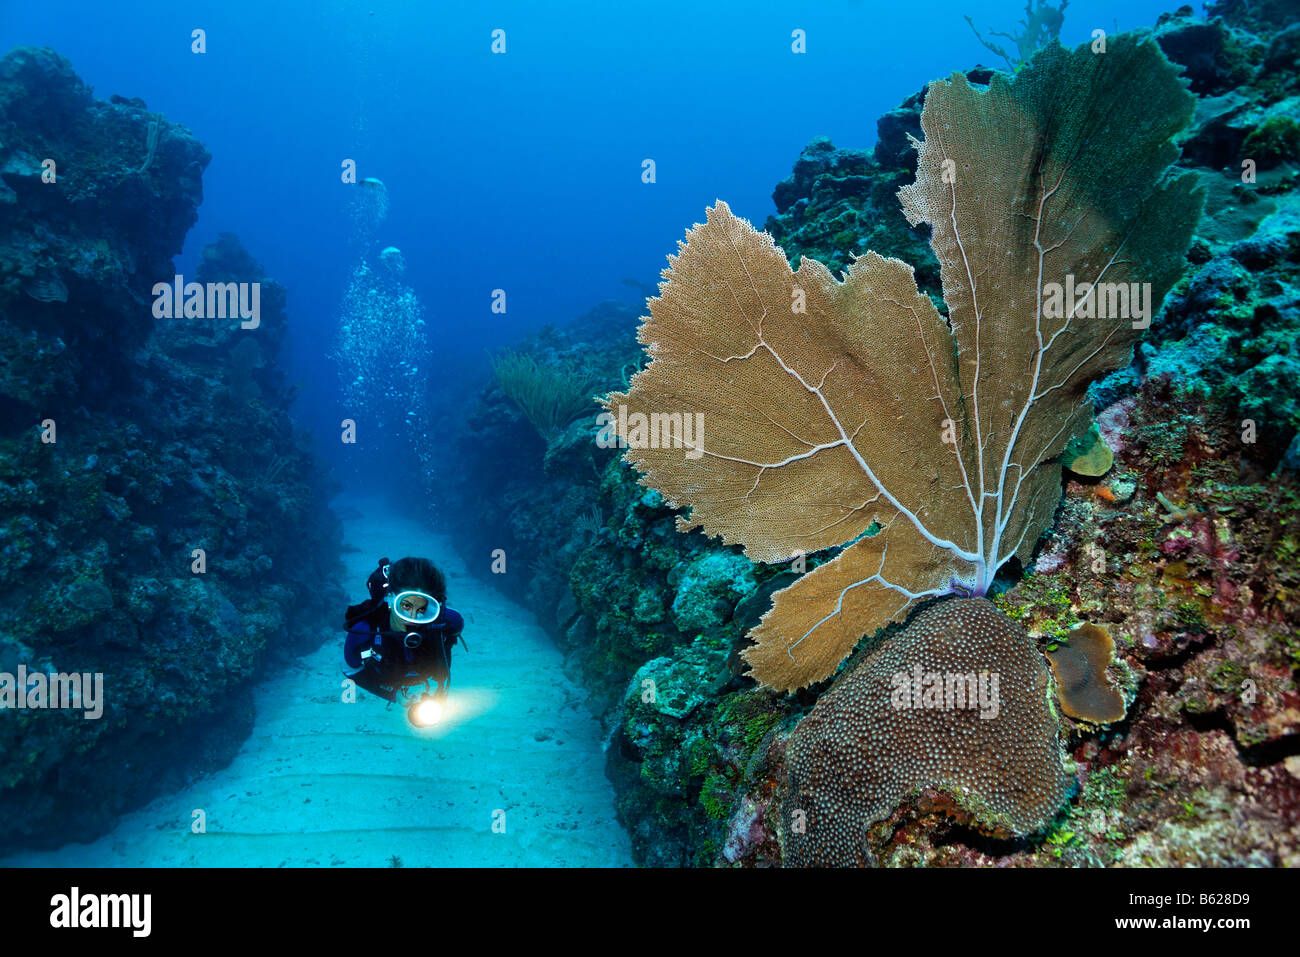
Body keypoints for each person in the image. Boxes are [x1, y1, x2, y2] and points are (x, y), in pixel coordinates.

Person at [342, 556, 464, 703]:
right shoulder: (363, 633)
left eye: (422, 609)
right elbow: (351, 670)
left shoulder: (450, 623)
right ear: (390, 599)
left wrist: (439, 694)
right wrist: (393, 695)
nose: (412, 618)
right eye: (406, 606)